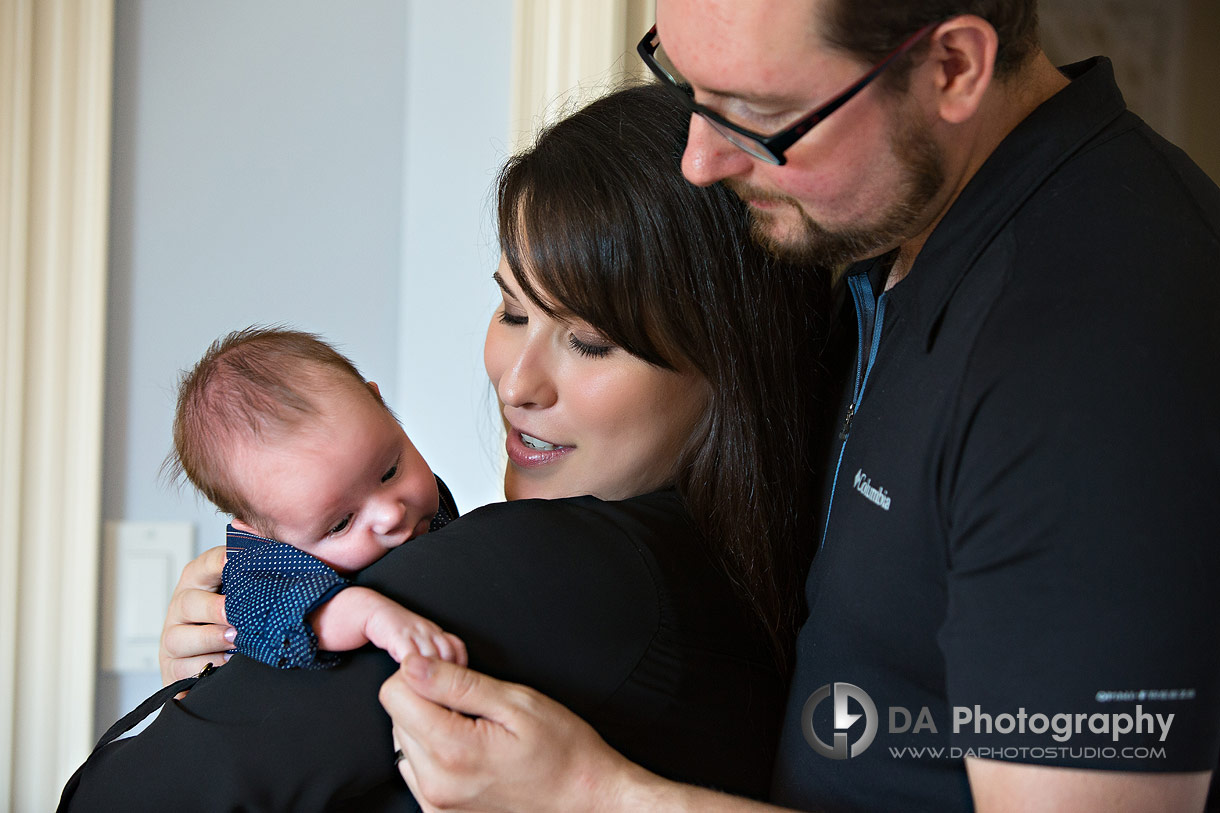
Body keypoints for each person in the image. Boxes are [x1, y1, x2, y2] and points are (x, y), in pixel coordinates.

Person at [377, 1, 1220, 811]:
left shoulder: (1097, 359)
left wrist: (591, 795)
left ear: (953, 67)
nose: (701, 159)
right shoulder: (891, 236)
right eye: (686, 85)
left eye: (755, 112)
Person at [59, 82, 823, 811]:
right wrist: (229, 670)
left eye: (590, 342)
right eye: (513, 310)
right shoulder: (740, 571)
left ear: (729, 361)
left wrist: (208, 707)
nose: (517, 382)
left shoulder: (554, 569)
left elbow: (118, 796)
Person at [167, 326, 465, 669]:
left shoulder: (421, 502)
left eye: (389, 472)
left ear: (381, 405)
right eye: (341, 523)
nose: (390, 514)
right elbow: (280, 618)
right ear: (262, 535)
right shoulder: (259, 571)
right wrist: (369, 617)